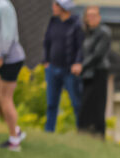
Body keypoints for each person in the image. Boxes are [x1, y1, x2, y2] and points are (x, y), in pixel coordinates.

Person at [0, 0, 26, 150]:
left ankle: (14, 141)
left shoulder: (3, 7)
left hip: (10, 59)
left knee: (5, 98)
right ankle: (16, 130)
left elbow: (7, 35)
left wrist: (0, 56)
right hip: (0, 59)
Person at [42, 0, 83, 132]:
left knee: (76, 103)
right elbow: (47, 42)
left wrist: (78, 62)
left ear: (63, 7)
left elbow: (80, 46)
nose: (53, 7)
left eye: (55, 5)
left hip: (69, 70)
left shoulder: (76, 24)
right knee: (51, 103)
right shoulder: (53, 22)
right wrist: (46, 61)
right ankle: (49, 131)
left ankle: (81, 131)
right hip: (52, 68)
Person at [77, 6, 109, 137]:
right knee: (86, 104)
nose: (91, 18)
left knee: (98, 104)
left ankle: (99, 134)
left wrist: (82, 66)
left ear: (99, 17)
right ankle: (85, 132)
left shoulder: (104, 32)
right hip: (87, 74)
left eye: (94, 15)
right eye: (89, 15)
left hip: (99, 71)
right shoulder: (86, 33)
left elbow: (97, 55)